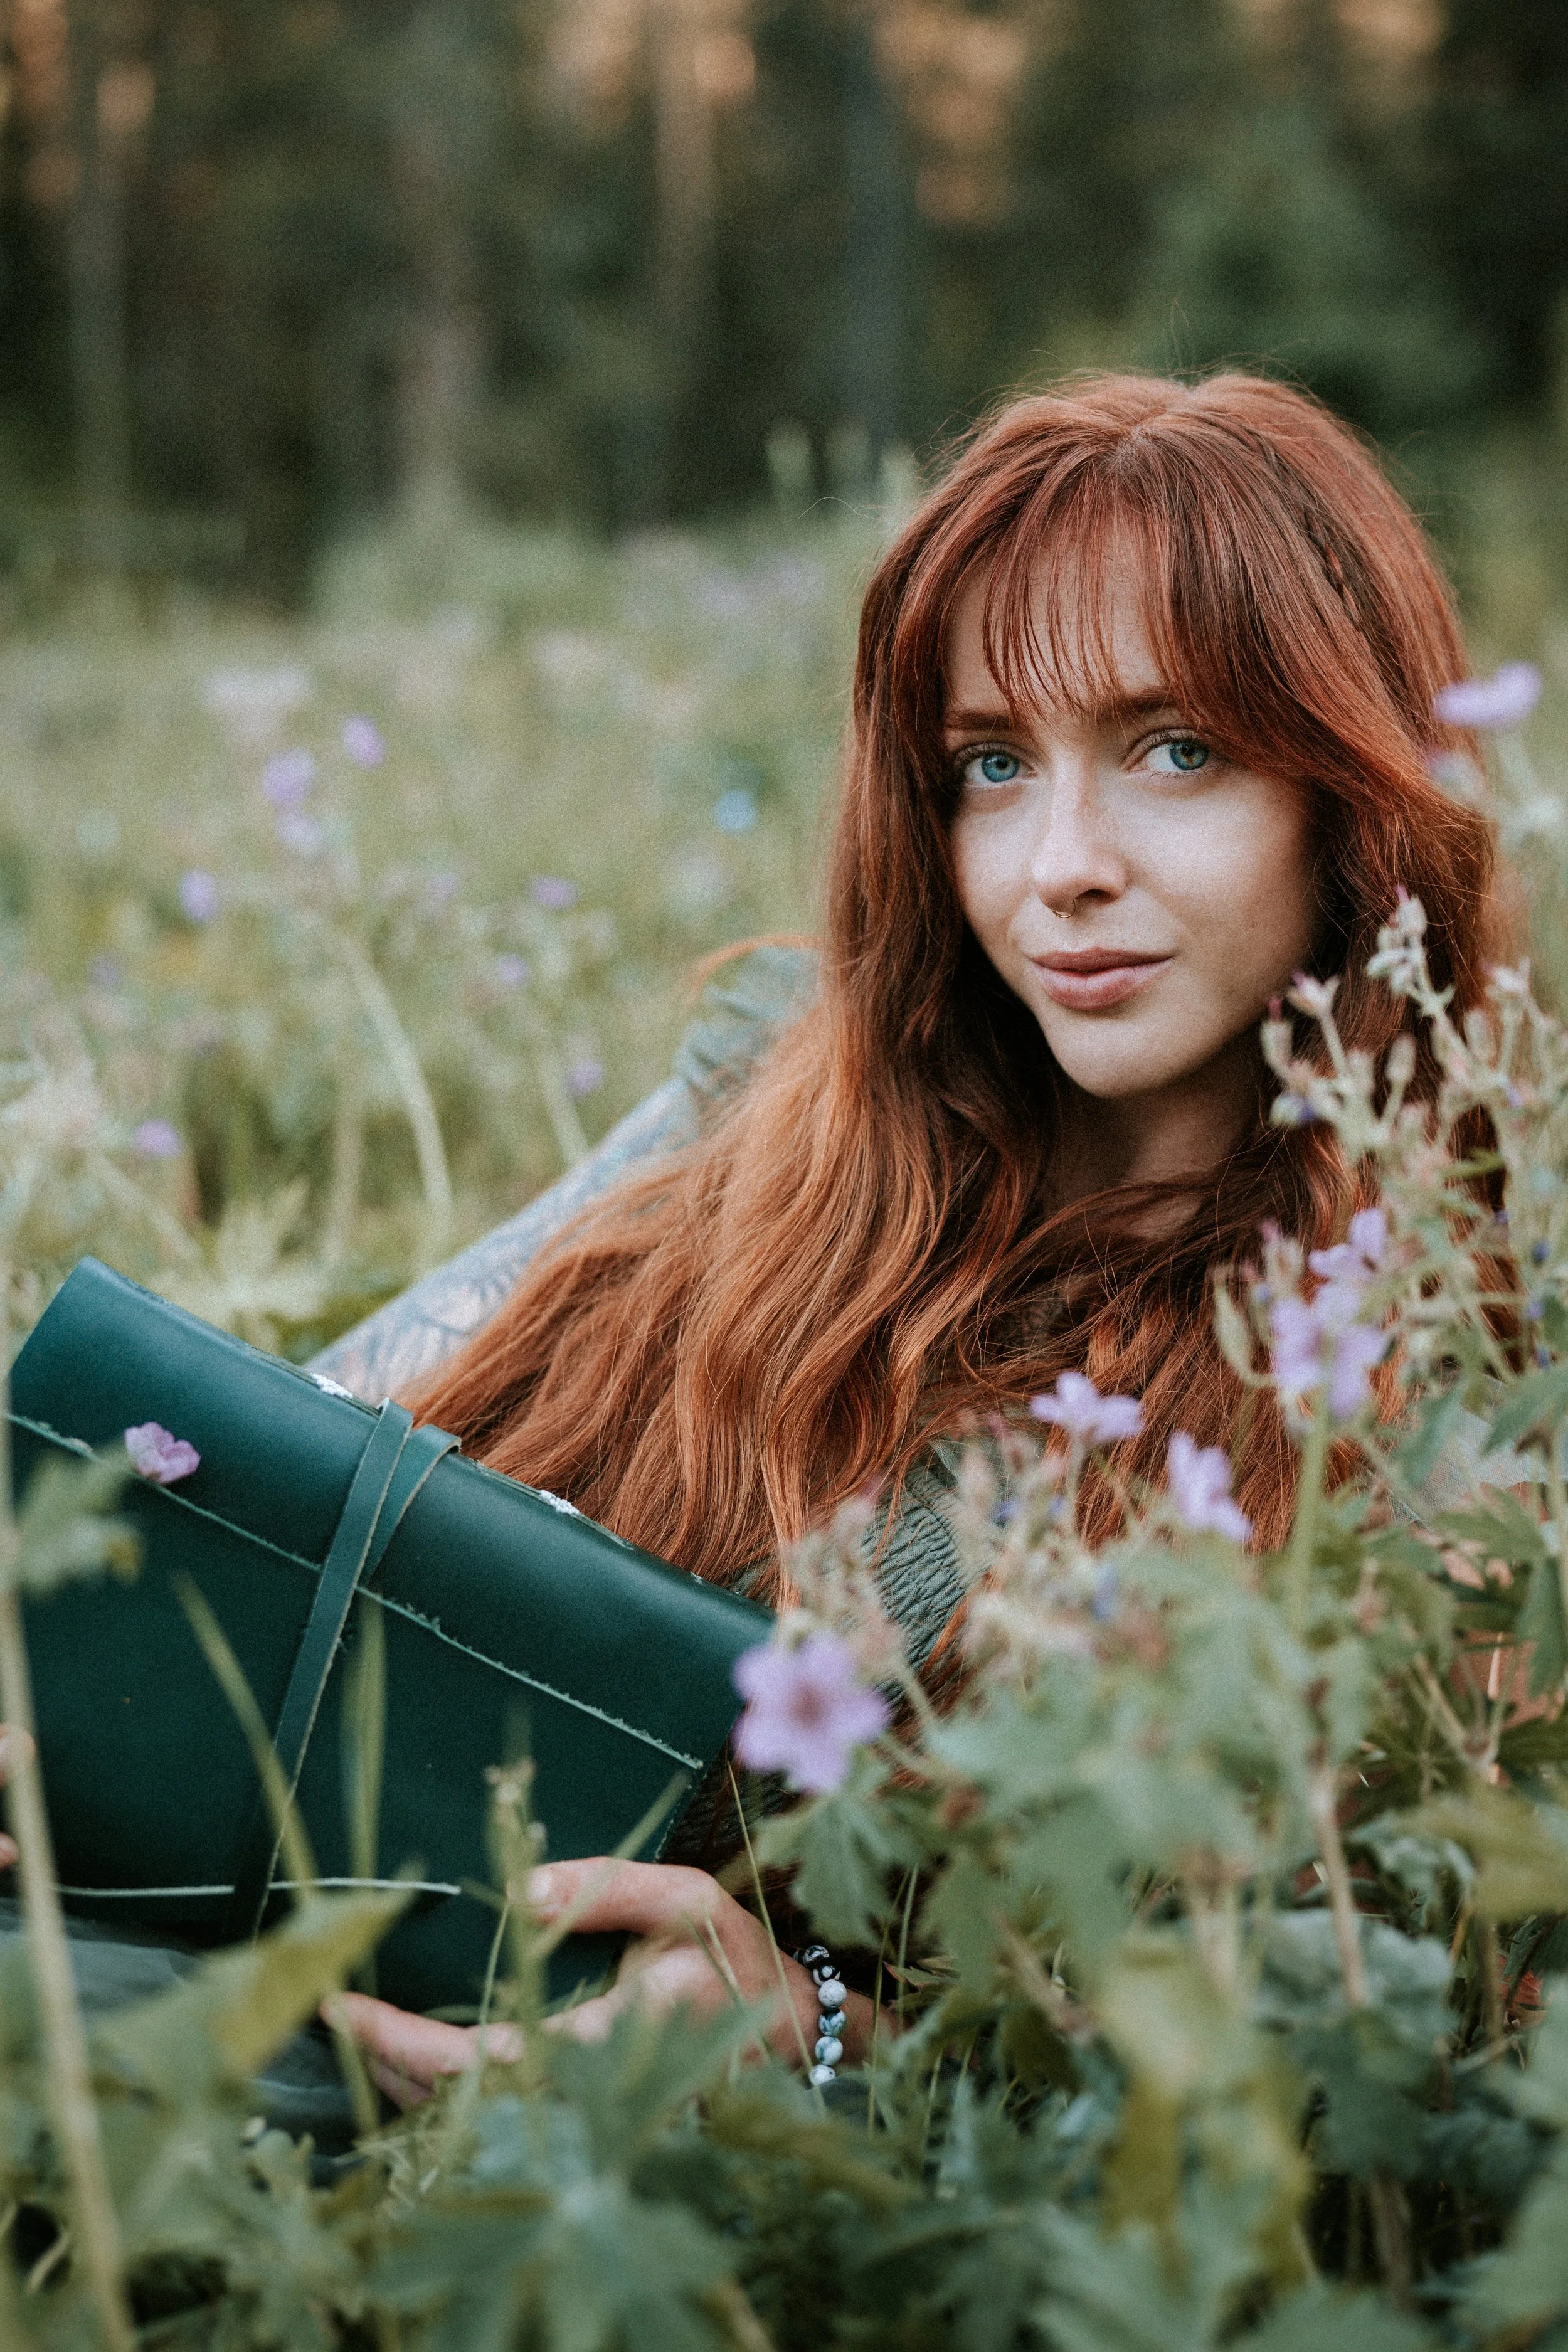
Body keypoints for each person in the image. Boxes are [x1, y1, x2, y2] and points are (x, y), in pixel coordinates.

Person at [4, 369, 1515, 2117]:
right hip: (265, 1953)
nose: (1060, 864)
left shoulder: (1436, 1384)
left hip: (702, 2184)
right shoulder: (775, 1103)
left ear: (1352, 787)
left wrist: (816, 2044)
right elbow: (302, 1448)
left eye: (1176, 749)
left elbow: (1335, 2082)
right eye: (992, 764)